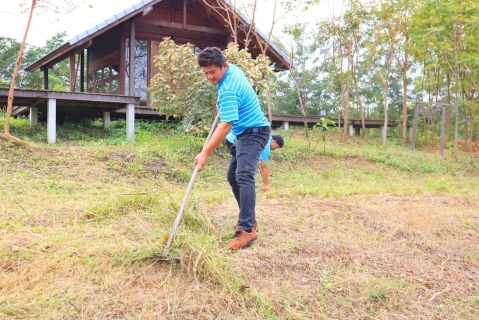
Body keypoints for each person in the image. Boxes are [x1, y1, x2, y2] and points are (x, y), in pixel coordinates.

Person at [194, 47, 270, 250]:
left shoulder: (228, 89)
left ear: (224, 66)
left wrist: (205, 153)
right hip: (243, 132)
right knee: (233, 176)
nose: (209, 77)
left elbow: (226, 125)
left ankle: (247, 229)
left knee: (244, 175)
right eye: (206, 73)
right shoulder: (232, 70)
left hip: (254, 132)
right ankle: (249, 219)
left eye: (213, 72)